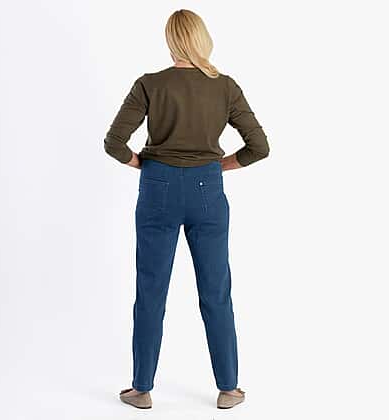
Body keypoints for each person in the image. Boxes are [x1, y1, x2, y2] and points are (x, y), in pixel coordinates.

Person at [104, 8, 270, 410]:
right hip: (207, 190)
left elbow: (114, 143)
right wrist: (218, 166)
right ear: (202, 38)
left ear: (170, 40)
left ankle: (141, 388)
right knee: (216, 291)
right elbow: (259, 147)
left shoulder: (149, 84)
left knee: (150, 290)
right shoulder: (225, 86)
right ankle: (229, 388)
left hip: (157, 189)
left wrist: (144, 164)